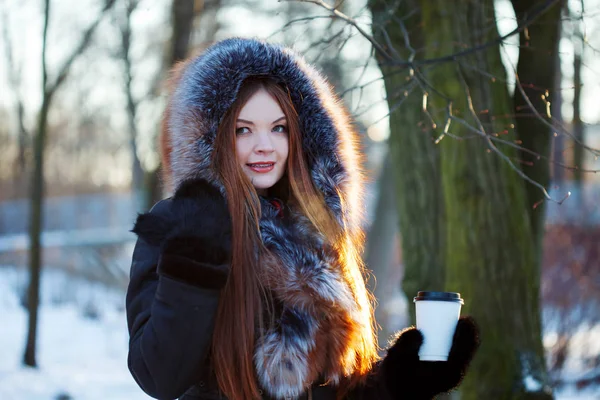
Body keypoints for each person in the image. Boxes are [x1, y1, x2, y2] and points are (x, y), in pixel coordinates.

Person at [126, 37, 479, 400]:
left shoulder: (318, 231)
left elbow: (337, 388)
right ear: (212, 139)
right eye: (242, 129)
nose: (265, 144)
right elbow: (159, 376)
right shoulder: (182, 226)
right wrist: (195, 264)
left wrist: (404, 379)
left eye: (279, 127)